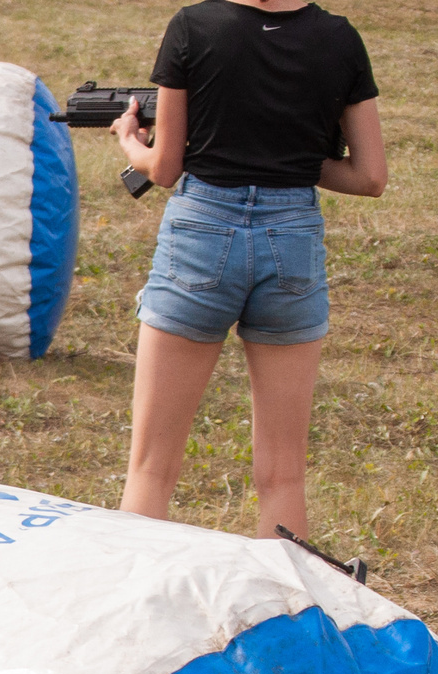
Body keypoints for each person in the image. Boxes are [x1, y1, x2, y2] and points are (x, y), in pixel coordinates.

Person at [112, 0, 385, 540]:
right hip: (293, 237)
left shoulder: (193, 27)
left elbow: (164, 167)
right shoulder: (340, 38)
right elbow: (370, 176)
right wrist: (295, 160)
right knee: (284, 475)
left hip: (201, 231)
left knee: (151, 468)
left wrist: (128, 140)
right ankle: (286, 617)